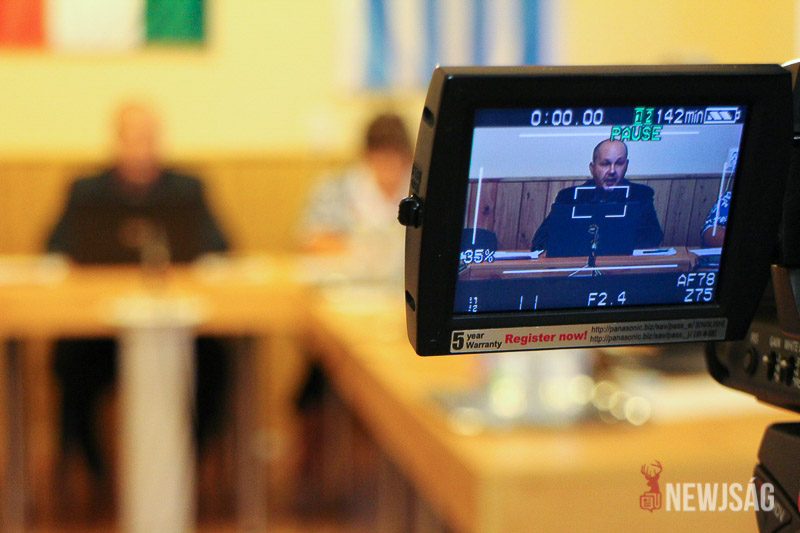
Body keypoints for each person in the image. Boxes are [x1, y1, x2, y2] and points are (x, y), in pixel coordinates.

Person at [46, 102, 229, 507]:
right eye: (132, 137)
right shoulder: (86, 191)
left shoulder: (188, 189)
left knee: (215, 362)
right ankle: (95, 474)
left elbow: (220, 246)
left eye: (148, 137)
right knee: (68, 362)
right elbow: (54, 248)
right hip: (97, 330)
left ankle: (187, 468)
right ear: (117, 141)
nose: (141, 147)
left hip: (179, 326)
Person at [531, 139, 663, 253]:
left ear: (626, 166)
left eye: (619, 163)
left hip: (622, 268)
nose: (612, 171)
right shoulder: (569, 197)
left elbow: (652, 237)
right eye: (605, 164)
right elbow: (541, 240)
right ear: (592, 168)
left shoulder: (641, 195)